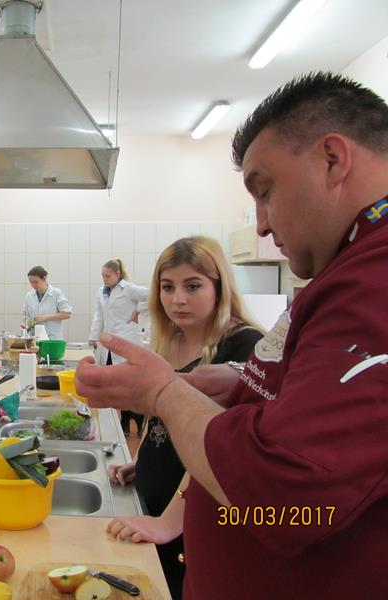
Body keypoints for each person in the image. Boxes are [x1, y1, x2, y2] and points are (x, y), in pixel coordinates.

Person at [75, 72, 388, 598]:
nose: (260, 224)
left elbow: (286, 498)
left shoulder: (374, 281)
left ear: (333, 159)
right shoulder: (344, 273)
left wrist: (163, 392)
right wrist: (243, 382)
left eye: (265, 192)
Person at [103, 236, 263, 599]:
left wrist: (168, 523)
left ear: (219, 287)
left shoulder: (244, 346)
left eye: (193, 286)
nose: (178, 299)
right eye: (167, 287)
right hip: (159, 505)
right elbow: (162, 419)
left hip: (194, 520)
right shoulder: (172, 339)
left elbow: (221, 450)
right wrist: (143, 461)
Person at [88, 258, 149, 435]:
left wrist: (139, 310)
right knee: (114, 384)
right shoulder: (101, 291)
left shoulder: (128, 288)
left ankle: (135, 420)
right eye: (103, 276)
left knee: (129, 384)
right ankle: (124, 420)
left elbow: (153, 296)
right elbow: (98, 315)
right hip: (109, 344)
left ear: (117, 274)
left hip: (127, 342)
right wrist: (93, 337)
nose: (104, 279)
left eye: (108, 276)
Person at [22, 266, 72, 339]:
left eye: (36, 282)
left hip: (53, 338)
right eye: (31, 282)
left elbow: (67, 314)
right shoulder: (28, 296)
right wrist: (26, 324)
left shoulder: (56, 293)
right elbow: (27, 318)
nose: (33, 285)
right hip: (34, 339)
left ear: (44, 278)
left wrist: (45, 317)